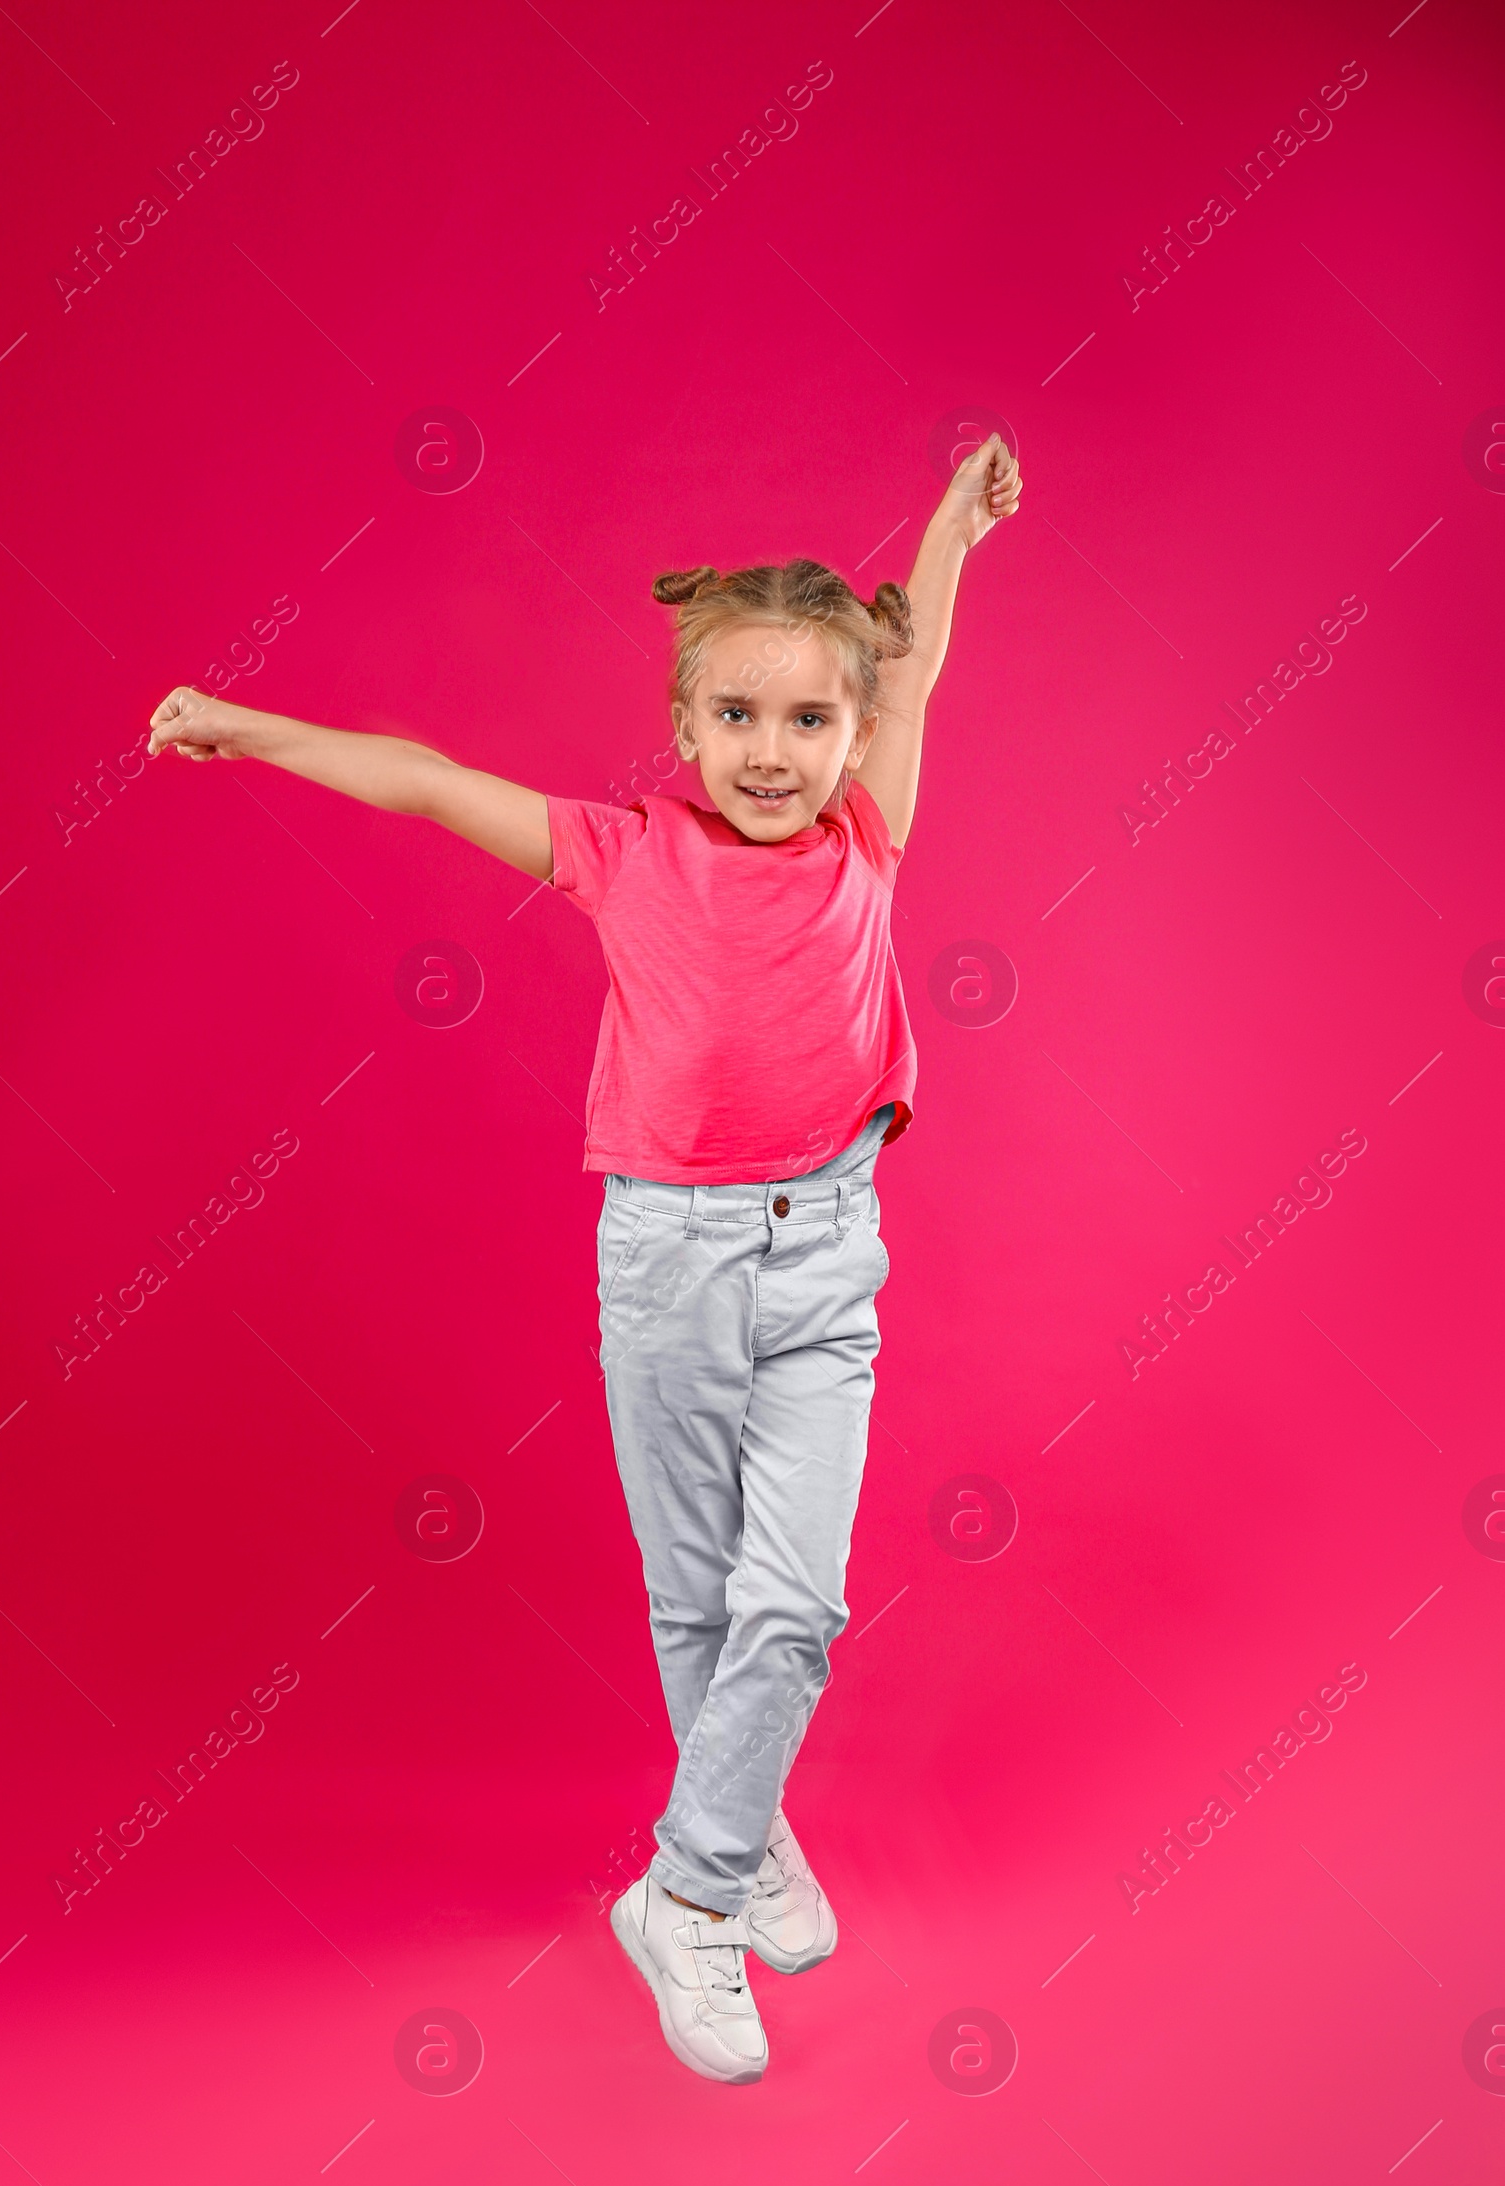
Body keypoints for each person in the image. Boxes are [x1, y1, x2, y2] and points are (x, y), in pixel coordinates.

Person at [147, 428, 1021, 2085]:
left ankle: (684, 1895)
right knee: (699, 1598)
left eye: (813, 720)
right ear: (684, 729)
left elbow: (925, 665)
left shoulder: (869, 842)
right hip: (672, 1263)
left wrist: (947, 527)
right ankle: (743, 1835)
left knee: (798, 1599)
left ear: (853, 737)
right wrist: (242, 727)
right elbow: (420, 774)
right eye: (739, 716)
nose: (777, 751)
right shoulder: (624, 854)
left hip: (829, 1250)